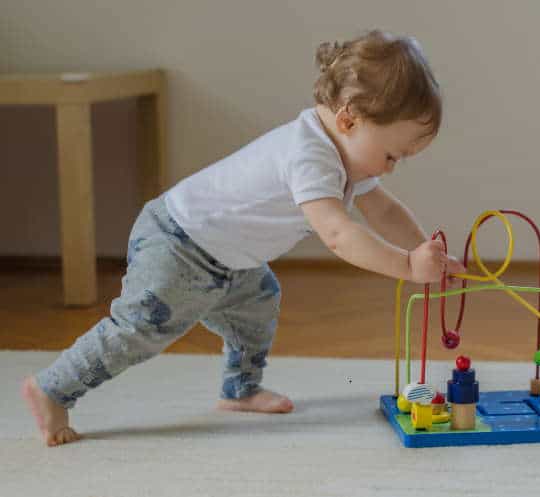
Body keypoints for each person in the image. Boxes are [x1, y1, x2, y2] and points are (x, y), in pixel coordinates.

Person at [22, 29, 466, 447]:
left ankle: (240, 389)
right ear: (350, 119)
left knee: (257, 306)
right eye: (392, 154)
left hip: (230, 259)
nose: (390, 167)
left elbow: (383, 210)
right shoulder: (309, 154)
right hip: (179, 243)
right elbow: (337, 233)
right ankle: (53, 389)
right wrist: (407, 268)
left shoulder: (348, 155)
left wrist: (424, 252)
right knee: (141, 331)